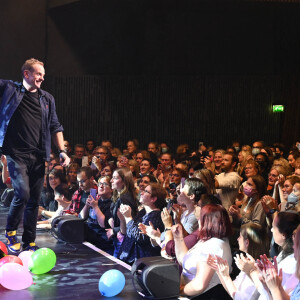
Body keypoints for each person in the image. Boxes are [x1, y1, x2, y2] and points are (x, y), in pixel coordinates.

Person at [0, 58, 70, 252]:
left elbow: (56, 126)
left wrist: (62, 151)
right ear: (27, 74)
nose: (42, 78)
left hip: (39, 156)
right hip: (16, 154)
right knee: (22, 193)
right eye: (38, 74)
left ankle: (29, 241)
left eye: (43, 75)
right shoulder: (9, 90)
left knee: (34, 200)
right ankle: (11, 231)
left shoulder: (47, 98)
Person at [174, 204, 232, 299]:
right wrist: (178, 238)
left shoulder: (214, 246)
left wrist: (178, 291)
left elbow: (199, 285)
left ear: (209, 222)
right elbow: (183, 260)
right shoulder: (210, 240)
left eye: (200, 218)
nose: (198, 220)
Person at [207, 222, 270, 299]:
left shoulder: (257, 268)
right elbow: (233, 289)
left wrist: (226, 276)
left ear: (247, 242)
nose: (237, 239)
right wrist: (220, 271)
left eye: (240, 236)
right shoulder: (249, 262)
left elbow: (238, 298)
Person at [117, 183, 166, 264]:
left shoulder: (157, 216)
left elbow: (139, 237)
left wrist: (128, 217)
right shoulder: (143, 212)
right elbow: (129, 233)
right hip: (128, 259)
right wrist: (123, 219)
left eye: (146, 191)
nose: (141, 193)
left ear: (153, 199)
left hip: (139, 263)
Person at [79, 176, 114, 254]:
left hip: (102, 242)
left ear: (111, 189)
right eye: (100, 184)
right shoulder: (97, 201)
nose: (101, 186)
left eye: (105, 184)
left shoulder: (112, 204)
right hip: (89, 238)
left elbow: (103, 224)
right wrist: (87, 205)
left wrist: (95, 207)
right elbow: (81, 217)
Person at [108, 168, 138, 257]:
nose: (111, 180)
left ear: (124, 182)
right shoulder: (119, 196)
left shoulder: (124, 199)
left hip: (123, 241)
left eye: (115, 178)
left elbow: (130, 221)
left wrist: (114, 230)